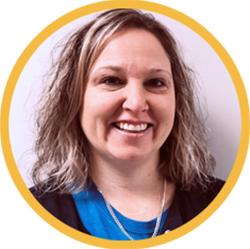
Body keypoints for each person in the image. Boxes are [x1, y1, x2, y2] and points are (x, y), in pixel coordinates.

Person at [30, 9, 224, 240]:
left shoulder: (227, 204)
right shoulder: (30, 213)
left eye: (155, 82)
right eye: (111, 80)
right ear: (75, 98)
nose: (136, 103)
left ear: (176, 100)